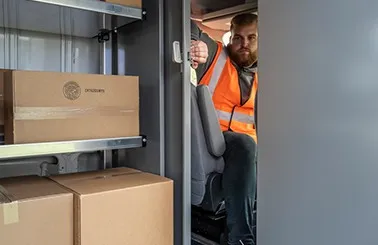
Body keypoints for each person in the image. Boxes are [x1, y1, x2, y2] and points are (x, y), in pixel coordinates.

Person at [190, 13, 258, 245]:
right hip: (215, 140)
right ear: (230, 37)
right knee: (244, 145)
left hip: (250, 147)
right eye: (238, 38)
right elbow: (181, 21)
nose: (244, 45)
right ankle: (241, 239)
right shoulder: (216, 55)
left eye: (252, 38)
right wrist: (195, 44)